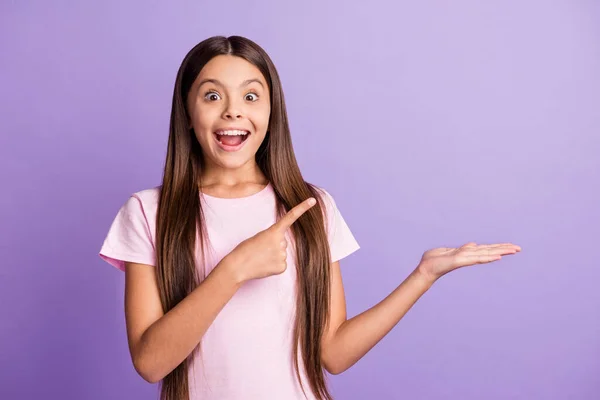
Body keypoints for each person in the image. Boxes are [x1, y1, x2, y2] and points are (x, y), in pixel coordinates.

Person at [98, 35, 521, 400]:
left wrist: (423, 275)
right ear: (188, 115)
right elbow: (151, 363)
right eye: (212, 96)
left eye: (250, 96)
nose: (232, 111)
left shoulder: (310, 207)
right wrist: (234, 269)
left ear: (270, 113)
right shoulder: (148, 212)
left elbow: (333, 353)